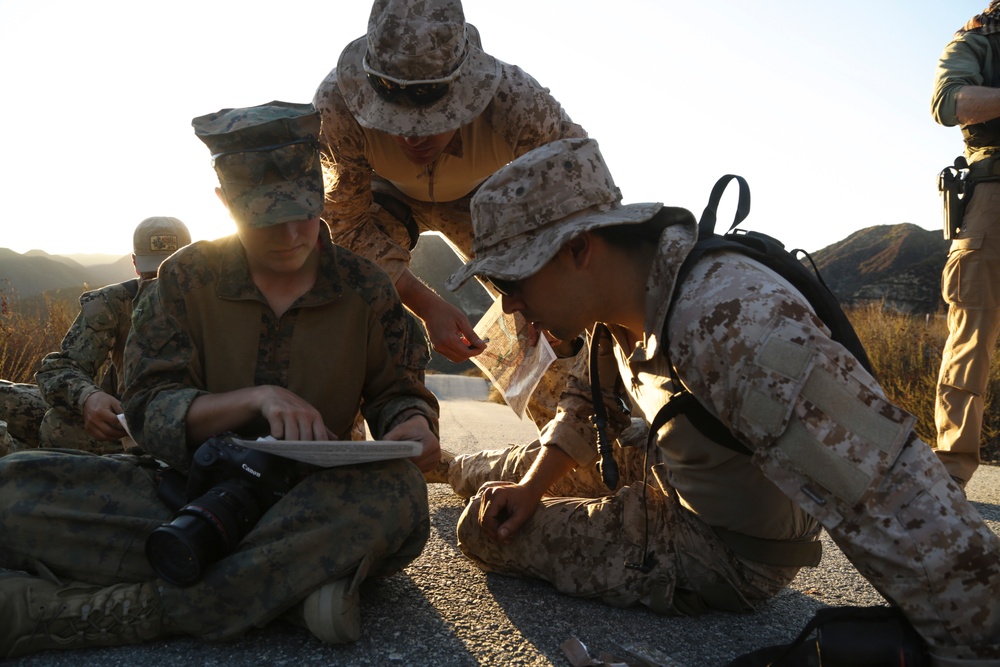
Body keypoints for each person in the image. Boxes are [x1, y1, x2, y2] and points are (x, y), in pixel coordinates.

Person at [445, 137, 1000, 665]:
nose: (510, 305)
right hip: (685, 476)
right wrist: (532, 488)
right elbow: (585, 406)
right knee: (517, 478)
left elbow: (885, 488)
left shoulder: (729, 322)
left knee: (479, 528)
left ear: (578, 249)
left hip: (728, 548)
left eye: (510, 279)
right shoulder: (617, 302)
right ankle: (441, 463)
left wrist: (979, 643)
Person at [0, 101, 440, 658]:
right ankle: (289, 587)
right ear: (225, 204)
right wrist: (256, 399)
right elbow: (148, 408)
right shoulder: (185, 278)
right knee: (10, 489)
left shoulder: (367, 289)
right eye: (264, 216)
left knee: (399, 495)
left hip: (311, 505)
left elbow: (397, 391)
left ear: (320, 195)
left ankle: (99, 613)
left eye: (301, 211)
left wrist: (412, 424)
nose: (288, 234)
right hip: (183, 495)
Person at [314, 0, 587, 428]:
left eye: (428, 116)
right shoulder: (337, 105)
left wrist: (546, 289)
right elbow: (343, 223)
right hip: (384, 194)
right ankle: (344, 450)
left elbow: (583, 205)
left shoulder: (518, 103)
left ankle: (572, 443)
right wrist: (425, 304)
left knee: (550, 309)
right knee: (343, 284)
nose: (410, 135)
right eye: (393, 116)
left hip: (490, 197)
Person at [33, 216, 191, 455]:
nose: (160, 286)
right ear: (136, 265)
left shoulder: (217, 305)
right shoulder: (115, 303)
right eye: (152, 276)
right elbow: (60, 368)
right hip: (126, 419)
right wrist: (89, 398)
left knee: (57, 425)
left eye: (171, 274)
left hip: (189, 423)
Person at [931, 1, 1000, 489]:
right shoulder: (978, 39)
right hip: (995, 194)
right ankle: (950, 474)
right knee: (972, 335)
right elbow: (949, 103)